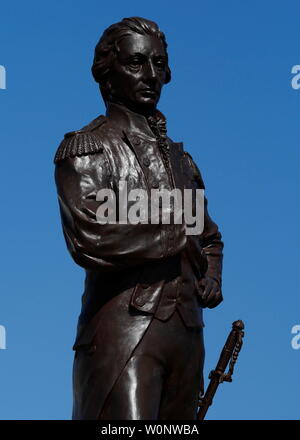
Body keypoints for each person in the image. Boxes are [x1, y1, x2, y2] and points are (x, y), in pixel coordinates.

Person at [54, 16, 224, 420]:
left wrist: (212, 274)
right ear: (107, 75)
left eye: (159, 64)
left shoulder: (184, 162)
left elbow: (210, 236)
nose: (152, 75)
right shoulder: (88, 148)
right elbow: (89, 235)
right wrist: (174, 236)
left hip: (187, 339)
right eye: (136, 63)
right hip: (123, 336)